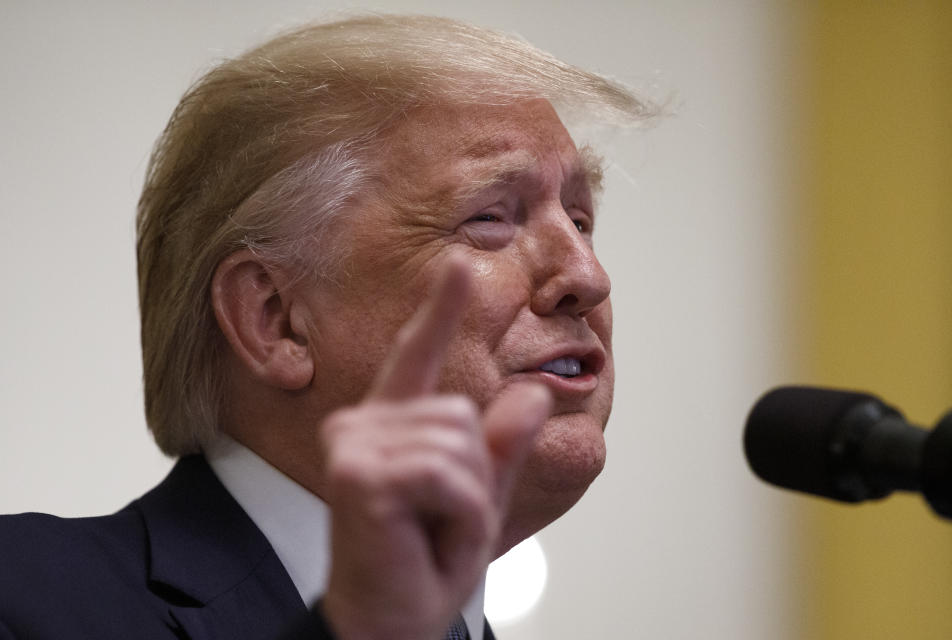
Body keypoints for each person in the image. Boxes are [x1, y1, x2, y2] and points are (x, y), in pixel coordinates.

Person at [0, 14, 652, 640]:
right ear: (276, 320)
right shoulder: (23, 600)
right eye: (489, 218)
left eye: (581, 221)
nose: (588, 275)